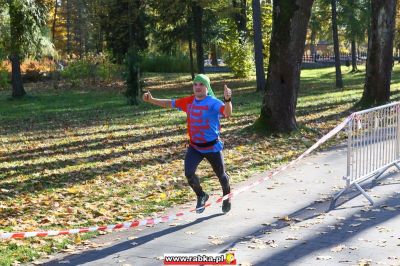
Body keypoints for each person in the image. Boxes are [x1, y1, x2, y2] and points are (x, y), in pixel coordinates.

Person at [142, 74, 233, 213]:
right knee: (189, 174)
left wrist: (227, 99)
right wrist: (152, 100)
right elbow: (169, 103)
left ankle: (227, 197)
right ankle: (201, 195)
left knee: (221, 175)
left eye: (201, 84)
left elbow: (227, 113)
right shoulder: (189, 101)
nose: (197, 87)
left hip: (212, 147)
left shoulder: (213, 102)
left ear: (207, 87)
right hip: (195, 147)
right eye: (195, 84)